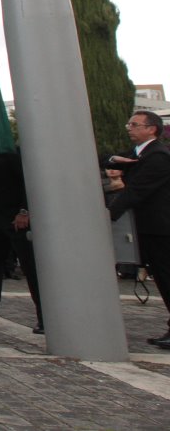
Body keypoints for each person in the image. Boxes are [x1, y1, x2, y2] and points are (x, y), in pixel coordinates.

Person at [107, 111, 170, 348]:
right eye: (129, 123)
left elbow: (136, 192)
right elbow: (109, 160)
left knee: (166, 277)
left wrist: (109, 215)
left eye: (135, 124)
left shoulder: (158, 157)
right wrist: (116, 160)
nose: (129, 128)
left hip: (160, 228)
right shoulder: (139, 154)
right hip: (149, 226)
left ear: (151, 129)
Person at [0, 151, 43, 334]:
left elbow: (26, 182)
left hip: (14, 217)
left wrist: (24, 211)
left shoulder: (12, 154)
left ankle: (43, 314)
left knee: (29, 266)